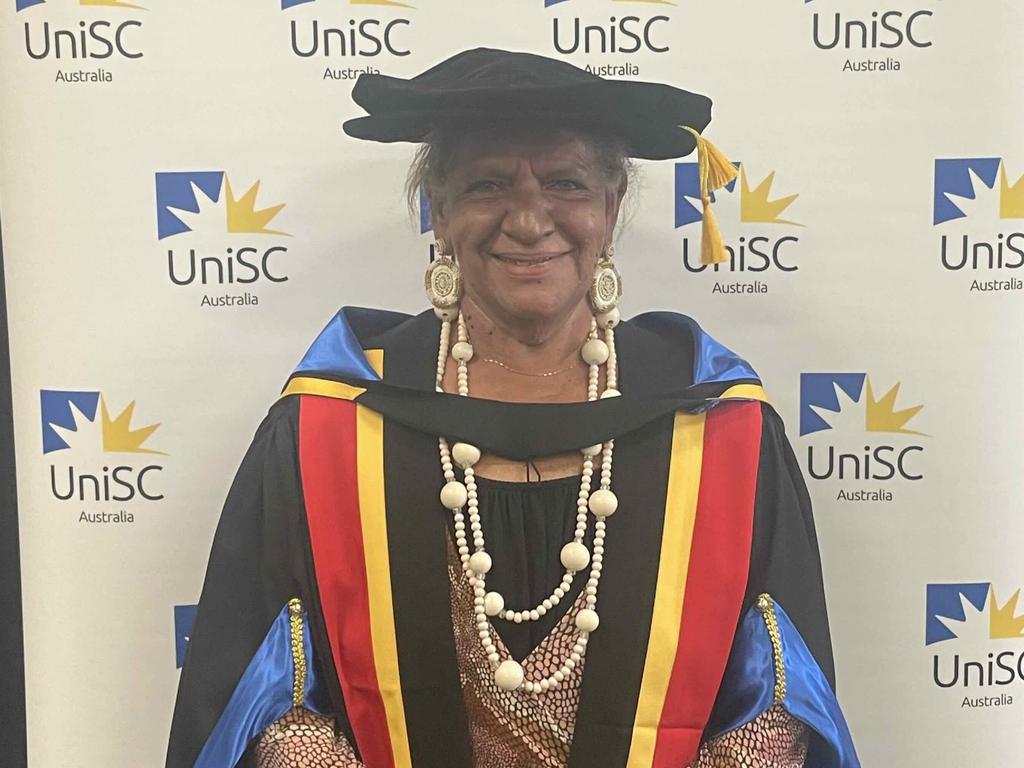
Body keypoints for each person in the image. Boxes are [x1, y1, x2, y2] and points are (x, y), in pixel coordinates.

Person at [166, 48, 860, 768]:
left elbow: (779, 702)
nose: (529, 220)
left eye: (566, 183)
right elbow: (268, 691)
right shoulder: (332, 425)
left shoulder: (718, 428)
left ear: (612, 208)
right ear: (439, 207)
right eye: (488, 184)